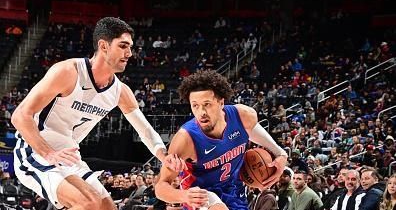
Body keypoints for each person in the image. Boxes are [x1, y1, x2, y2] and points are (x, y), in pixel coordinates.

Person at [11, 17, 185, 210]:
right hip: (36, 149)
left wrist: (164, 156)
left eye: (130, 47)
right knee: (87, 204)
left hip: (68, 154)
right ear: (103, 46)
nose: (129, 53)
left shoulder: (120, 91)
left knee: (106, 207)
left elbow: (145, 130)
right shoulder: (68, 72)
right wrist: (48, 152)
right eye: (123, 46)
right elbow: (20, 115)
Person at [155, 70, 288, 210]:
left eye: (207, 104)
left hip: (234, 193)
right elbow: (161, 187)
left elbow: (252, 130)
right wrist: (184, 196)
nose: (202, 112)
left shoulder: (244, 116)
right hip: (202, 197)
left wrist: (281, 154)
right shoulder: (185, 139)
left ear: (221, 102)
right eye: (195, 105)